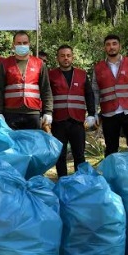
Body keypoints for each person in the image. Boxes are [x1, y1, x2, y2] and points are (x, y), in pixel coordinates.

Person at [92, 34, 128, 156]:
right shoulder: (98, 68)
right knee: (111, 149)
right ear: (104, 48)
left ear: (120, 46)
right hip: (109, 113)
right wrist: (94, 112)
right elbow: (95, 92)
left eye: (114, 44)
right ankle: (111, 174)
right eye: (108, 44)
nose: (111, 47)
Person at [49, 45, 97, 177]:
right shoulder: (51, 75)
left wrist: (92, 114)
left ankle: (80, 182)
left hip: (77, 121)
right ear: (57, 58)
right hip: (58, 121)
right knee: (60, 155)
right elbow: (46, 96)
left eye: (68, 55)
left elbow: (89, 94)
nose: (66, 58)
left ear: (72, 57)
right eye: (62, 56)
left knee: (79, 155)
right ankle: (63, 182)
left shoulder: (81, 74)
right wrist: (46, 114)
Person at [0, 31, 53, 131]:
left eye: (25, 43)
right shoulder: (5, 64)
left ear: (29, 44)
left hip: (33, 114)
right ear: (13, 45)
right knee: (13, 146)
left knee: (32, 145)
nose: (22, 45)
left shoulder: (39, 64)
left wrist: (48, 112)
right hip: (11, 113)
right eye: (19, 43)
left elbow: (46, 90)